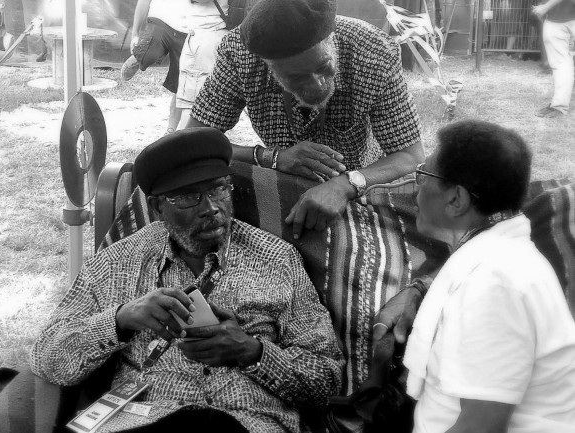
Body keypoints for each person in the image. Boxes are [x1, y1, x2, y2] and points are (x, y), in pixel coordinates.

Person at [30, 127, 343, 432]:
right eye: (188, 198)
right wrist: (121, 319)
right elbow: (47, 358)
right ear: (156, 207)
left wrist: (252, 351)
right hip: (148, 419)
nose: (211, 208)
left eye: (218, 189)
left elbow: (327, 379)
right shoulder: (118, 262)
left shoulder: (277, 259)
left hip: (247, 421)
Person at [185, 0, 424, 240]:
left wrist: (346, 184)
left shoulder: (374, 51)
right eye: (296, 78)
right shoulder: (238, 55)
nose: (317, 84)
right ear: (267, 65)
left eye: (323, 66)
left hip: (362, 181)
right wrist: (272, 158)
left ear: (331, 39)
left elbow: (410, 156)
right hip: (282, 183)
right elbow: (193, 142)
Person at [394, 119, 575, 432]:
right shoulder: (495, 259)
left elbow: (480, 427)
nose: (416, 189)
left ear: (456, 200)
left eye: (423, 175)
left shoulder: (494, 284)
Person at [121, 0, 190, 133]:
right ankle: (139, 57)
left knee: (181, 85)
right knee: (150, 52)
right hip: (160, 20)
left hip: (188, 29)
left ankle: (170, 131)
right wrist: (135, 33)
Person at [174, 0, 229, 129]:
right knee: (212, 106)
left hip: (205, 38)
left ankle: (183, 148)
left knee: (193, 105)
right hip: (220, 35)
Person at [532, 0, 575, 118]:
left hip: (561, 19)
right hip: (560, 18)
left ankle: (559, 105)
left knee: (562, 64)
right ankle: (559, 104)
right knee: (563, 64)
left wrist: (546, 6)